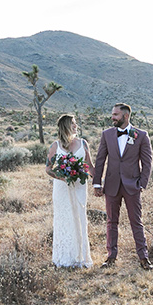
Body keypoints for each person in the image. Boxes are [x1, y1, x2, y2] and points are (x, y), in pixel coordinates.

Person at [92, 103, 153, 270]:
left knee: (136, 221)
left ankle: (143, 257)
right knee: (111, 221)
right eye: (112, 114)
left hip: (132, 185)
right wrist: (97, 182)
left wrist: (142, 183)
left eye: (116, 115)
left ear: (125, 116)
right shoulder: (107, 134)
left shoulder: (141, 135)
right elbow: (100, 159)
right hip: (111, 185)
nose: (112, 117)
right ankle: (111, 256)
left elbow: (147, 162)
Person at [45, 114, 94, 268]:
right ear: (65, 126)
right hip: (62, 189)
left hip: (79, 187)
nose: (76, 126)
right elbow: (48, 168)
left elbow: (90, 166)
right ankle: (64, 257)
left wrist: (99, 182)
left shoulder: (83, 144)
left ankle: (81, 257)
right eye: (73, 123)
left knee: (79, 218)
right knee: (64, 219)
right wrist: (62, 178)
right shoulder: (55, 146)